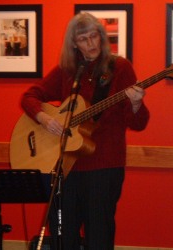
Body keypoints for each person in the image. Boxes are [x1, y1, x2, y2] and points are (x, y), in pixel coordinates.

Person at [21, 12, 149, 250]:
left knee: (99, 234)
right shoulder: (68, 70)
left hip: (104, 165)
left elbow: (139, 123)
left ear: (102, 37)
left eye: (94, 37)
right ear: (74, 44)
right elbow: (30, 96)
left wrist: (136, 103)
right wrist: (43, 118)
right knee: (63, 233)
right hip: (66, 166)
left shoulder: (119, 68)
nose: (91, 44)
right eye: (83, 39)